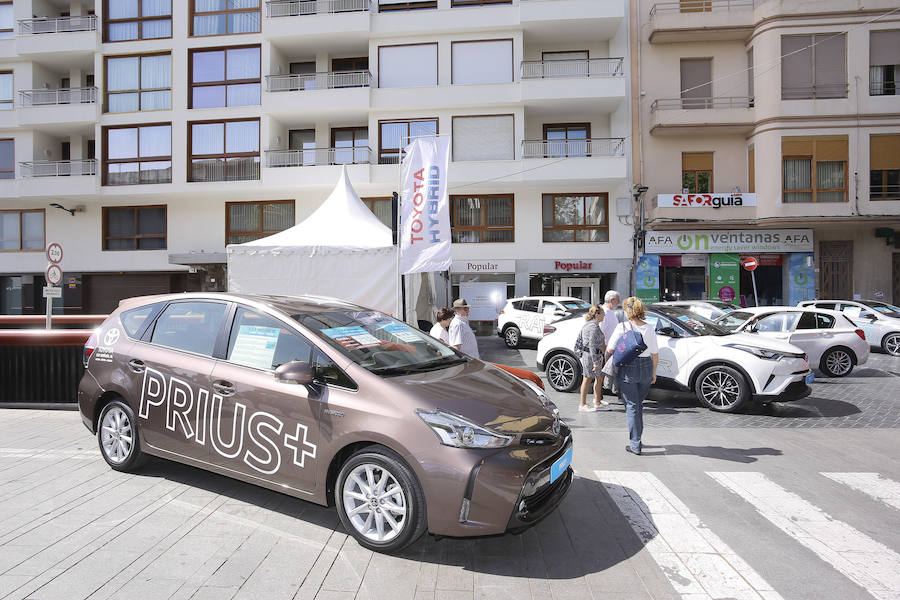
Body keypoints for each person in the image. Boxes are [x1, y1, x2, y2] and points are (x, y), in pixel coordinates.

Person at [606, 297, 658, 455]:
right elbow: (655, 353)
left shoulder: (622, 327)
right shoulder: (649, 328)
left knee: (632, 406)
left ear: (627, 311)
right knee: (638, 404)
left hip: (629, 368)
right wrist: (654, 373)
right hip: (647, 367)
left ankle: (635, 443)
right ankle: (637, 438)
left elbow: (610, 349)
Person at [578, 305, 607, 412]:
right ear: (597, 314)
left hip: (594, 355)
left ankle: (597, 401)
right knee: (587, 378)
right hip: (590, 356)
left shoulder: (592, 325)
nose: (604, 316)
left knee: (599, 378)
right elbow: (592, 345)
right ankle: (582, 404)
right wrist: (595, 361)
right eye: (603, 313)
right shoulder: (593, 327)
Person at [598, 290, 621, 394]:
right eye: (618, 300)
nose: (619, 303)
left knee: (609, 372)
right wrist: (603, 351)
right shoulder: (604, 312)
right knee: (604, 373)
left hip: (611, 348)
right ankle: (599, 397)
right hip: (606, 348)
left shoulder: (610, 312)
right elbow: (600, 333)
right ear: (612, 300)